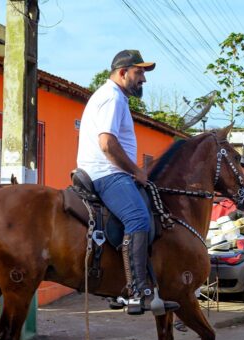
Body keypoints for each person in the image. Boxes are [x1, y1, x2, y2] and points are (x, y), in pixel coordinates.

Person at [76, 49, 176, 315]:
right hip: (107, 173)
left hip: (109, 171)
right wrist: (136, 170)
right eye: (139, 72)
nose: (143, 79)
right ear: (123, 72)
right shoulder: (112, 98)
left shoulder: (112, 97)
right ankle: (135, 293)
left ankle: (126, 286)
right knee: (138, 220)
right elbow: (107, 143)